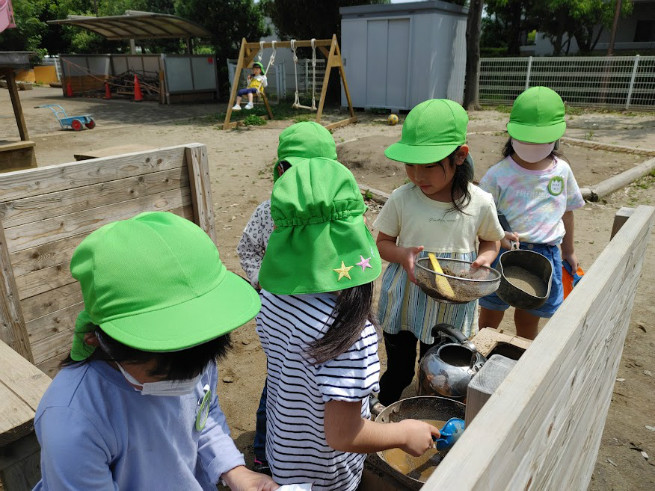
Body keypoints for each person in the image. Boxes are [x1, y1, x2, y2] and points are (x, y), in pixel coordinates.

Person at [33, 212, 278, 491]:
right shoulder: (73, 420)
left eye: (202, 365)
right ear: (97, 340)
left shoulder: (191, 355)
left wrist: (234, 471)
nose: (189, 380)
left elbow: (204, 416)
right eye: (162, 374)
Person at [256, 158, 440, 490]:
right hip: (327, 474)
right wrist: (403, 433)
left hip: (284, 452)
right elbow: (343, 434)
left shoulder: (271, 295)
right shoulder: (349, 331)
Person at [374, 99, 505, 406]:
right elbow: (382, 244)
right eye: (411, 164)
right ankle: (382, 408)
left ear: (460, 156)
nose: (418, 175)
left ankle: (433, 411)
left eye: (429, 165)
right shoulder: (402, 198)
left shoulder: (480, 201)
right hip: (406, 298)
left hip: (453, 301)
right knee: (400, 371)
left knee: (445, 371)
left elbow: (491, 241)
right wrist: (402, 254)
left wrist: (484, 260)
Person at [236, 121, 338, 473]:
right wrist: (259, 282)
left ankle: (317, 449)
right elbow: (247, 248)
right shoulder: (268, 212)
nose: (303, 184)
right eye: (295, 173)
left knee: (316, 392)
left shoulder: (335, 216)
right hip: (280, 318)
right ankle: (265, 451)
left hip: (322, 319)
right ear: (280, 171)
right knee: (277, 388)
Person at [478, 86, 585, 340]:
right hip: (504, 252)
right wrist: (497, 235)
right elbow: (482, 214)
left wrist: (568, 251)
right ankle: (481, 357)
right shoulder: (498, 174)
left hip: (546, 256)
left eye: (540, 139)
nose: (533, 145)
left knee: (528, 321)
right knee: (490, 317)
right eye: (528, 138)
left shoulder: (562, 171)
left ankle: (521, 362)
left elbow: (567, 213)